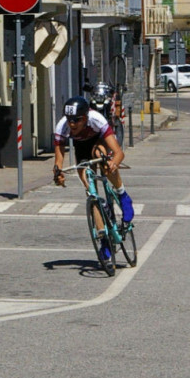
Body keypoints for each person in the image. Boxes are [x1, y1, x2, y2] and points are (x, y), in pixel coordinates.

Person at [52, 96, 132, 268]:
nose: (72, 124)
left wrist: (113, 163)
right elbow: (58, 159)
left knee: (102, 158)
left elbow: (119, 153)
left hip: (99, 143)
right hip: (81, 149)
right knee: (90, 191)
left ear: (85, 117)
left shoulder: (96, 119)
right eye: (69, 120)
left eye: (76, 120)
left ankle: (122, 195)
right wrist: (58, 173)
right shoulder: (62, 127)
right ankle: (104, 240)